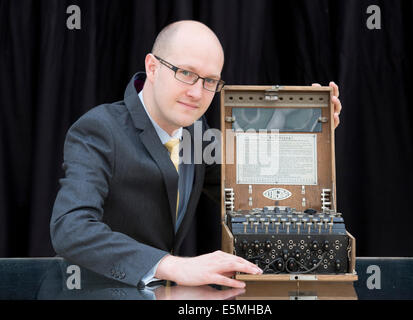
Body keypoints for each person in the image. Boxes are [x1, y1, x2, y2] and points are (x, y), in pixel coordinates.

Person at [50, 20, 342, 290]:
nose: (197, 93)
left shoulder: (196, 131)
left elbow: (248, 186)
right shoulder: (99, 128)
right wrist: (172, 266)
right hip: (95, 292)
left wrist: (307, 129)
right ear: (152, 67)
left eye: (210, 80)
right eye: (185, 73)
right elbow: (70, 228)